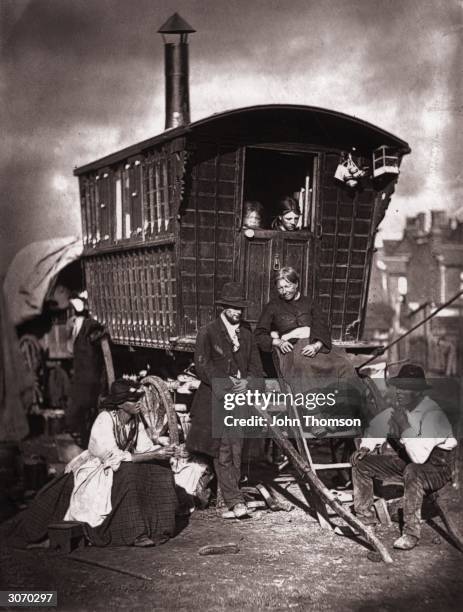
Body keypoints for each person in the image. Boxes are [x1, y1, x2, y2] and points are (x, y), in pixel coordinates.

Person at [10, 379, 178, 548]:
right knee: (128, 474)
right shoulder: (104, 420)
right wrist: (153, 454)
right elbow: (112, 457)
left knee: (160, 470)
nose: (139, 403)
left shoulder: (136, 421)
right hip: (98, 467)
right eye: (133, 400)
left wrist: (163, 452)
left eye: (139, 398)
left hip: (121, 464)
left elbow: (144, 448)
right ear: (120, 404)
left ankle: (158, 526)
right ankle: (134, 532)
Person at [351, 364, 457, 550]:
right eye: (398, 386)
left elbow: (419, 458)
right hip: (411, 461)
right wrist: (366, 447)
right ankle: (365, 521)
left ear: (418, 392)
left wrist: (404, 426)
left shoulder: (432, 414)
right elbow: (378, 426)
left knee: (413, 471)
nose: (399, 392)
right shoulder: (401, 407)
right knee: (361, 464)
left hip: (437, 468)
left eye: (405, 388)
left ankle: (411, 533)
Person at [186, 282, 264, 518]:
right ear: (222, 307)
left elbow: (257, 369)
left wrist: (248, 383)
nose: (237, 312)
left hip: (240, 401)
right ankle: (234, 500)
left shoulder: (247, 334)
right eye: (232, 307)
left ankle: (229, 497)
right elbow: (202, 366)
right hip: (215, 400)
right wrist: (228, 383)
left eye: (240, 308)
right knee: (224, 449)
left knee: (236, 448)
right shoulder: (208, 332)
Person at [255, 267, 363, 428]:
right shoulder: (273, 306)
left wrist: (317, 345)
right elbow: (260, 334)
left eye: (288, 286)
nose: (284, 291)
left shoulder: (310, 303)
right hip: (291, 348)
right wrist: (278, 342)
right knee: (304, 365)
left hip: (315, 345)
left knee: (344, 365)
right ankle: (315, 417)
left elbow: (322, 326)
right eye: (280, 288)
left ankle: (340, 414)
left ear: (296, 284)